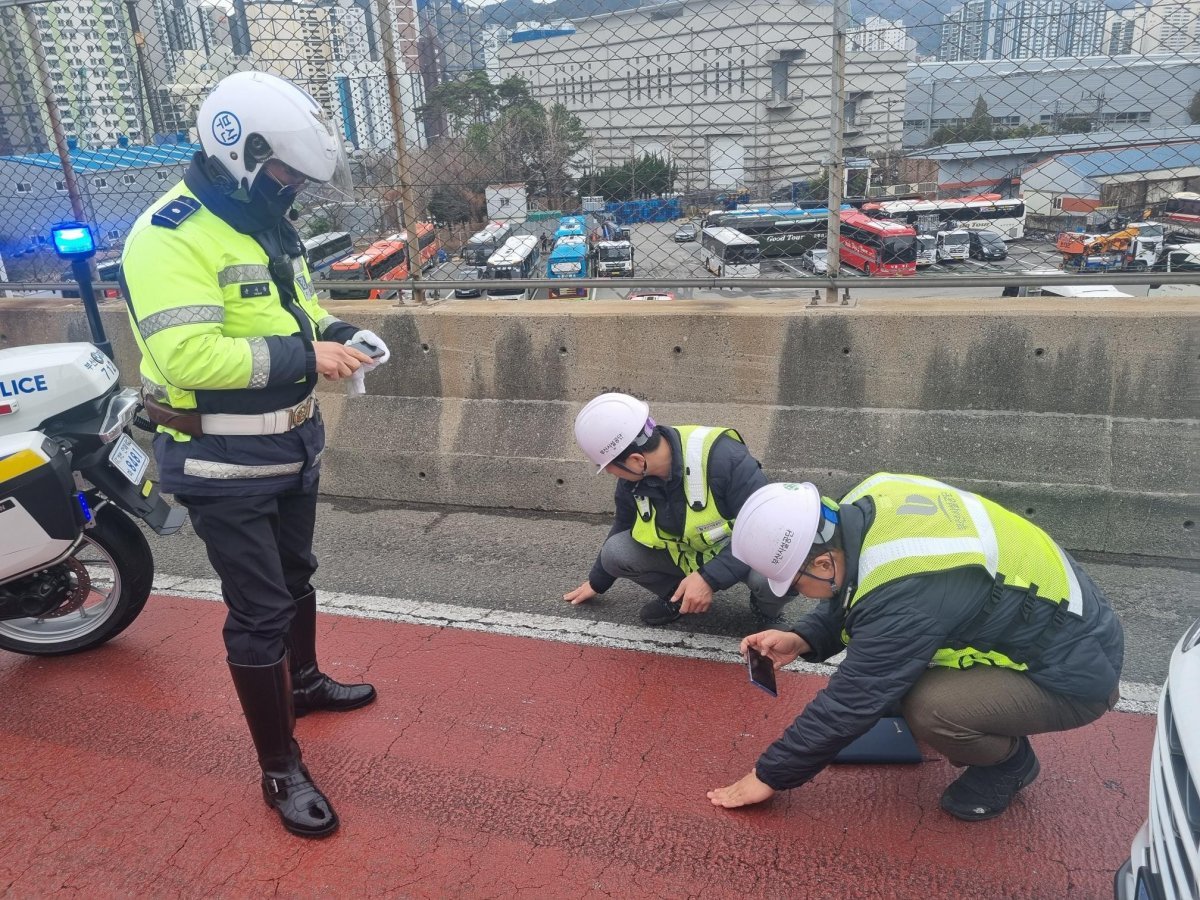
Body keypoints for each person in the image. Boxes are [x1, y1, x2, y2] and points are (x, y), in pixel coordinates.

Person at [121, 70, 390, 838]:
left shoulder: (260, 220)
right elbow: (189, 357)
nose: (291, 189)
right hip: (220, 461)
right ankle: (280, 768)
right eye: (284, 173)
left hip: (290, 443)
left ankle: (300, 682)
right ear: (242, 151)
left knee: (297, 576)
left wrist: (337, 333)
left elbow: (291, 302)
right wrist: (309, 356)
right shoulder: (168, 235)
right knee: (260, 609)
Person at [707, 474, 1123, 822]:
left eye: (796, 585)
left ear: (821, 563)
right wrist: (804, 637)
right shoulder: (865, 502)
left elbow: (853, 699)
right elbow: (859, 592)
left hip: (1074, 678)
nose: (803, 595)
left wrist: (769, 775)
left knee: (932, 710)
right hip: (1072, 623)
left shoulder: (908, 591)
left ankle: (1009, 764)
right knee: (889, 664)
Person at [564, 392, 787, 627]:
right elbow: (623, 524)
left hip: (741, 552)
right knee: (615, 552)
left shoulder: (725, 459)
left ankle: (766, 610)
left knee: (782, 562)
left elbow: (766, 529)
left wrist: (708, 579)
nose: (609, 473)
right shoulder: (633, 480)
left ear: (637, 461)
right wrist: (597, 582)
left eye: (608, 467)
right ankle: (679, 597)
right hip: (690, 554)